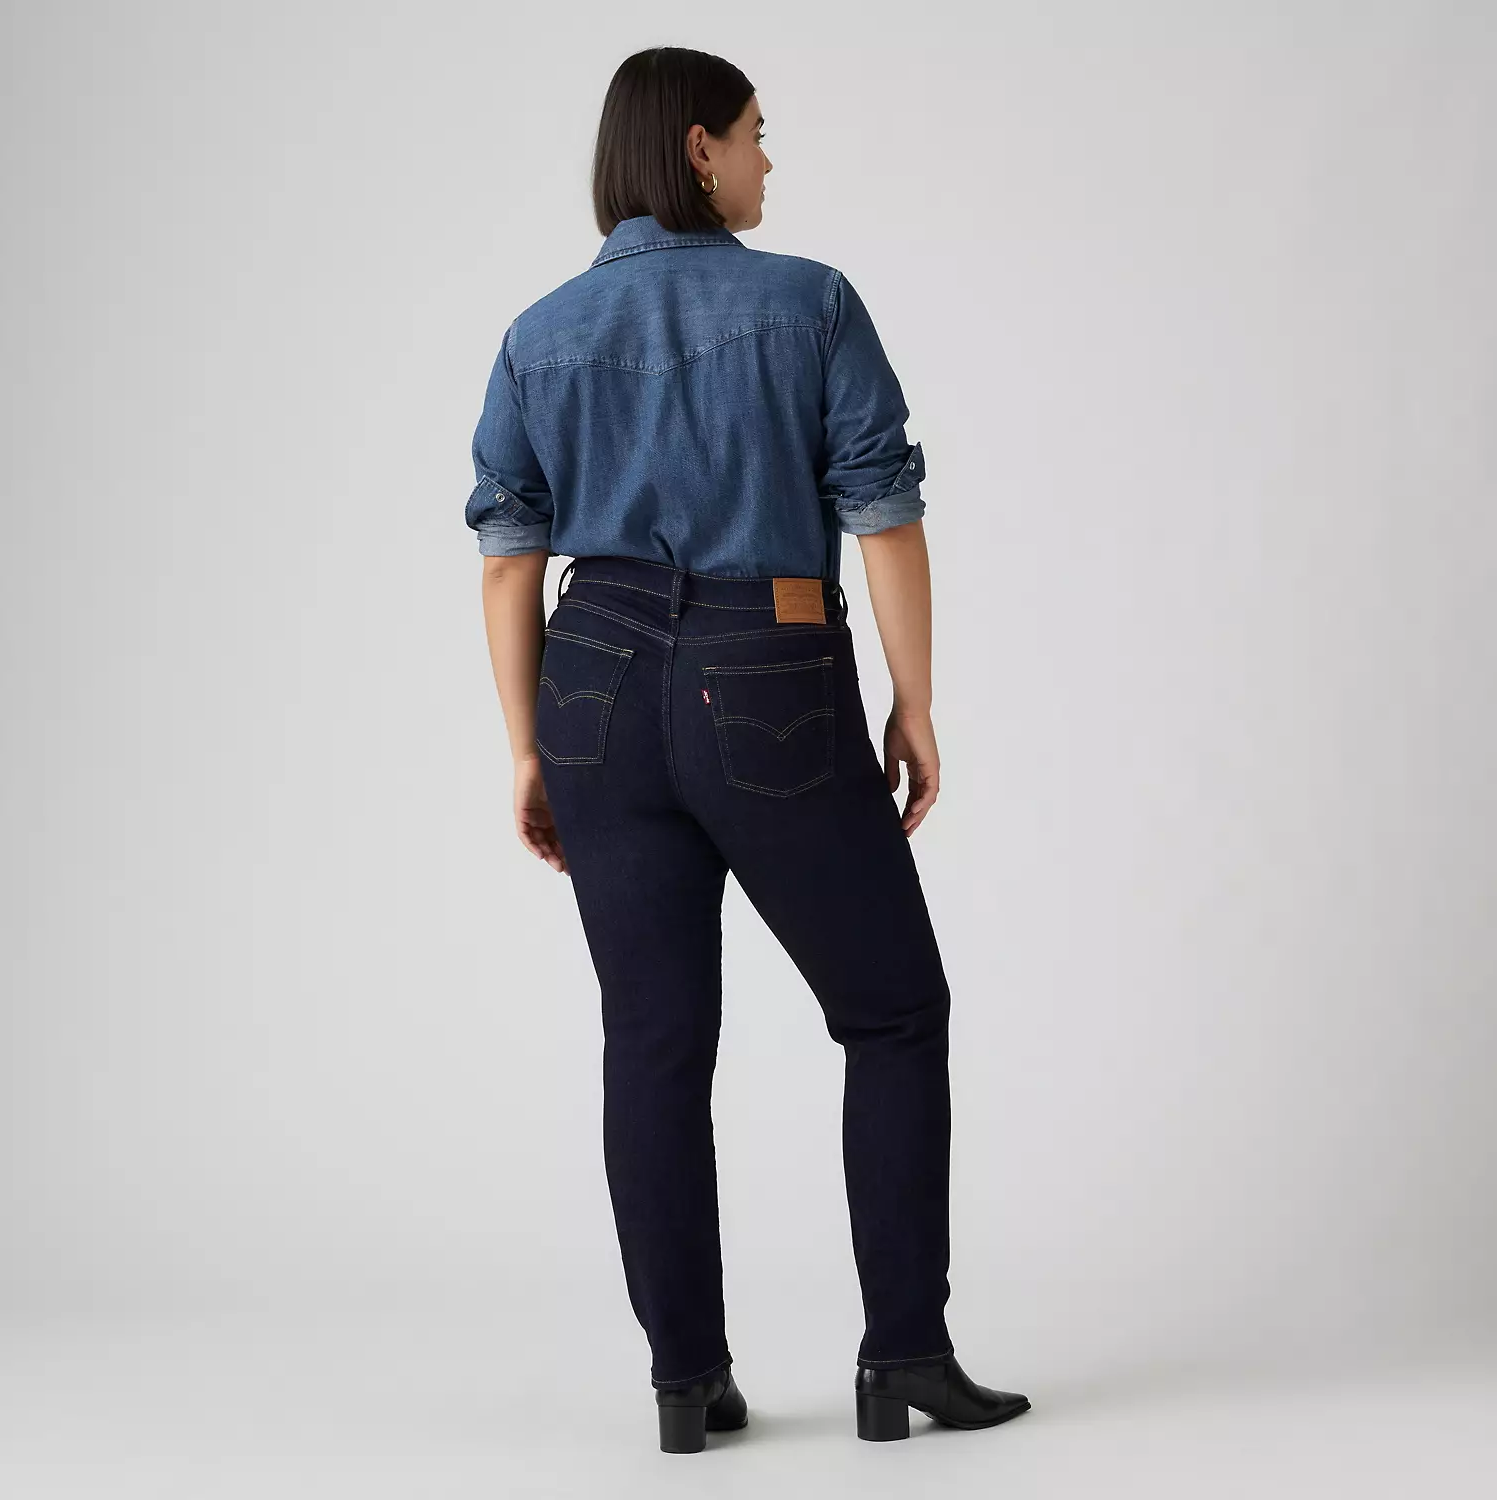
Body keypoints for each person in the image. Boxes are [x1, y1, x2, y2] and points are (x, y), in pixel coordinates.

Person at [467, 45, 1031, 1453]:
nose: (771, 159)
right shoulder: (809, 303)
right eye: (759, 134)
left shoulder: (538, 335)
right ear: (699, 149)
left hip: (590, 682)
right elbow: (884, 512)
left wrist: (530, 747)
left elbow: (507, 560)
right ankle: (904, 1356)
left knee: (654, 1041)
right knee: (891, 1013)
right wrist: (913, 701)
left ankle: (685, 1382)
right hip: (765, 667)